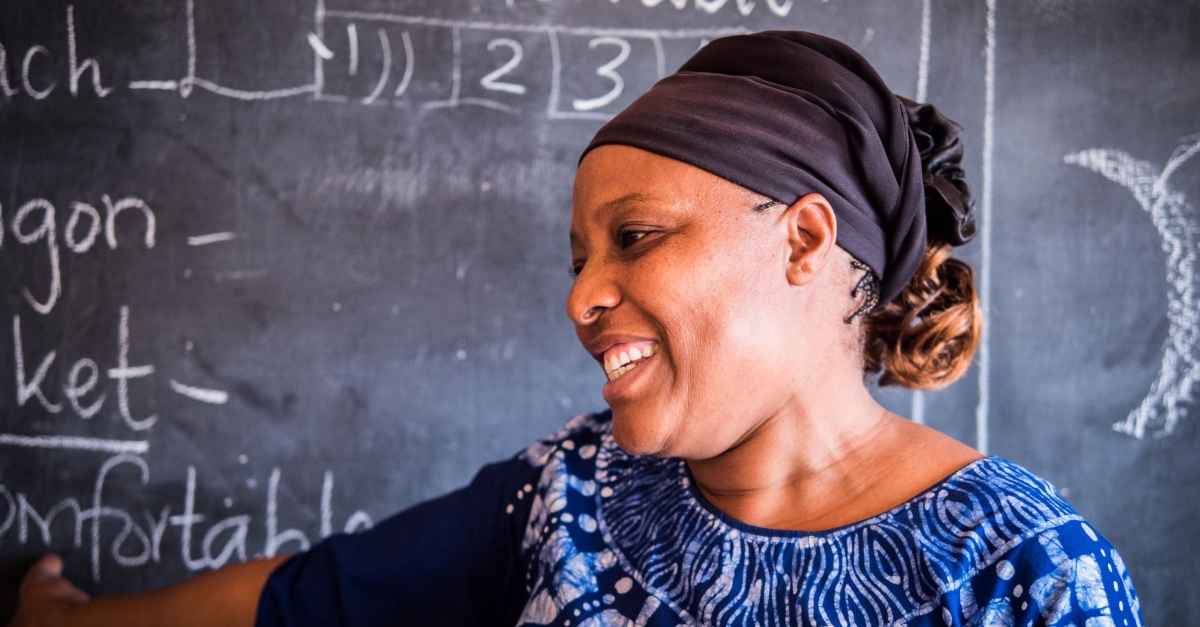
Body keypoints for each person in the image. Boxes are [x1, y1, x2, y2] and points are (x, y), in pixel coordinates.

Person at [9, 31, 1142, 627]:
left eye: (637, 237)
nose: (580, 298)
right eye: (577, 259)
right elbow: (308, 602)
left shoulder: (1029, 577)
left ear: (804, 241)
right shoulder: (569, 498)